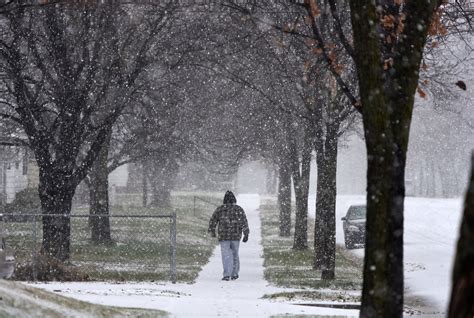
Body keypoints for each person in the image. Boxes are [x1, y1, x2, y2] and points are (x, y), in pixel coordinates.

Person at [208, 191, 249, 281]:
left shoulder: (220, 209)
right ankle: (235, 273)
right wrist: (246, 233)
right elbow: (244, 222)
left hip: (224, 236)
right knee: (235, 254)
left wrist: (212, 230)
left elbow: (213, 220)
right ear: (234, 199)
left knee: (226, 255)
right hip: (236, 235)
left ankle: (227, 274)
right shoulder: (239, 209)